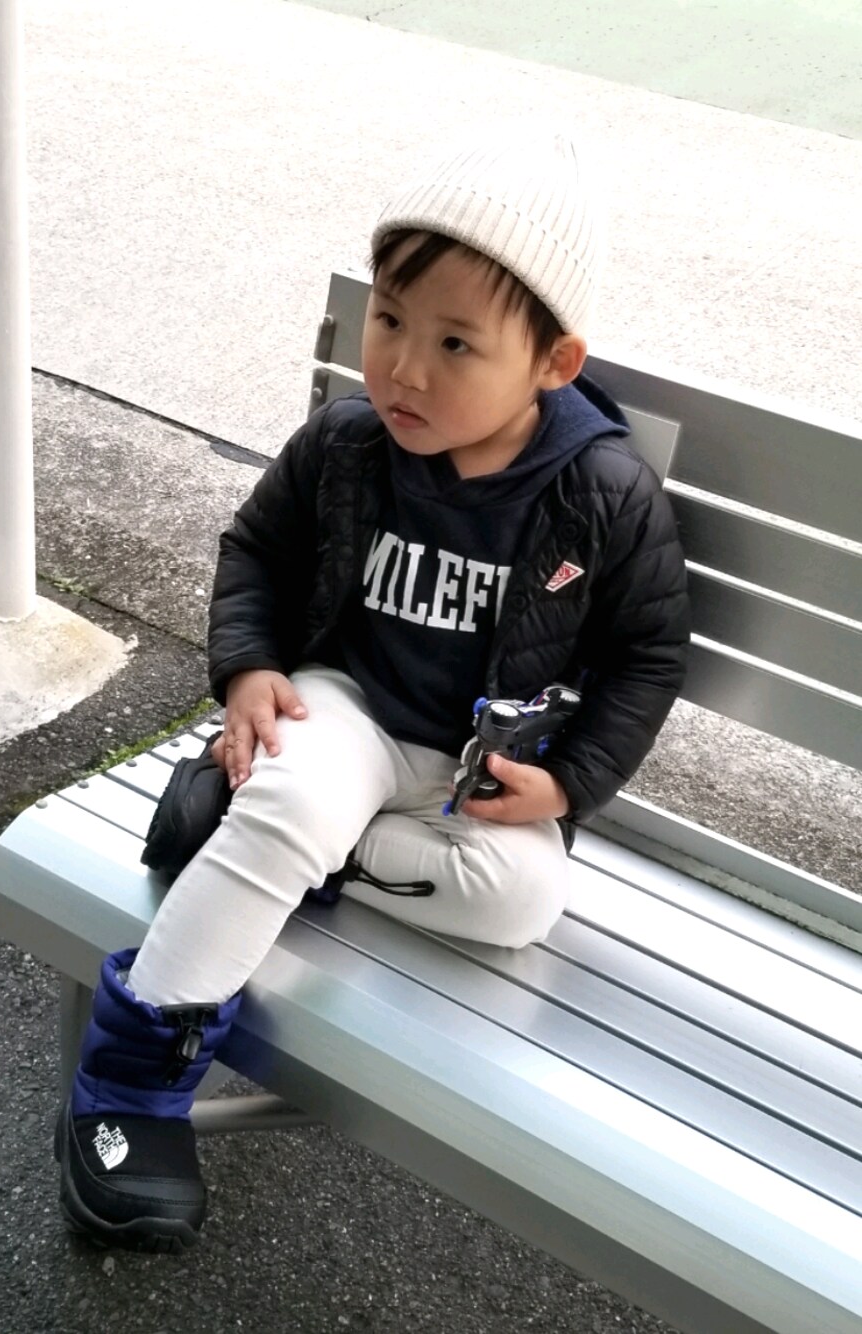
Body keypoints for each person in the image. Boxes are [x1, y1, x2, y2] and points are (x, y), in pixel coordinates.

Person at [54, 130, 690, 1252]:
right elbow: (257, 550)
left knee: (520, 902)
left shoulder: (601, 492)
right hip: (344, 708)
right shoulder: (349, 443)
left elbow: (647, 655)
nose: (403, 368)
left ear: (553, 362)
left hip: (471, 769)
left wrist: (568, 787)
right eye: (389, 320)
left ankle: (260, 832)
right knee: (300, 795)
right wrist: (249, 669)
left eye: (455, 343)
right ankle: (129, 1085)